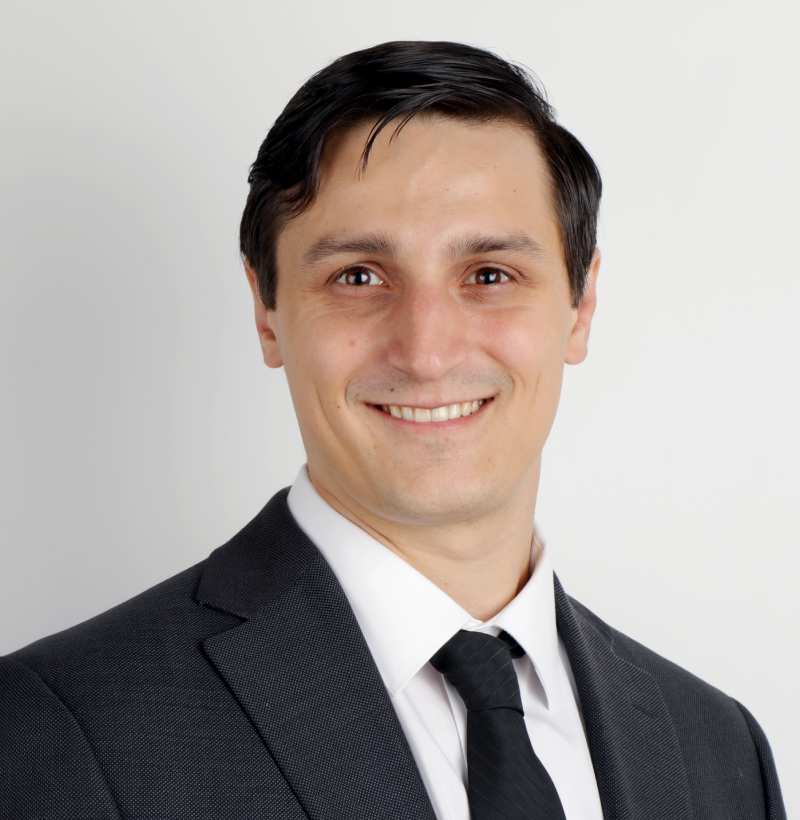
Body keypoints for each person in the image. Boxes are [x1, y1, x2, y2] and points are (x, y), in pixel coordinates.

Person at [0, 40, 786, 820]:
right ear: (266, 314)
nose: (427, 349)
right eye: (358, 277)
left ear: (580, 308)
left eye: (489, 275)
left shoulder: (718, 750)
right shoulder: (63, 727)